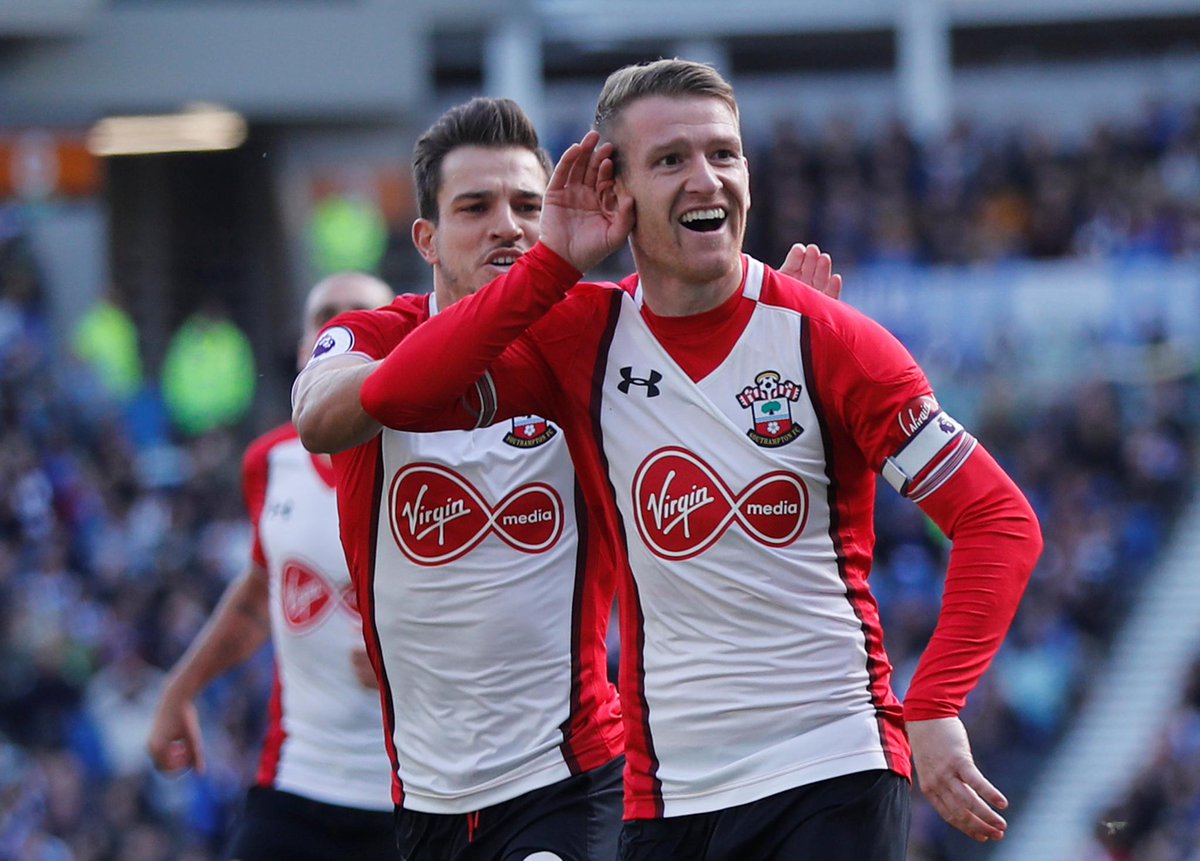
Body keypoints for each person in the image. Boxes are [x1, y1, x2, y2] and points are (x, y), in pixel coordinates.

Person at [342, 61, 1044, 861]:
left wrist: (937, 701)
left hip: (832, 767)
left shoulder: (830, 340)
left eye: (724, 153)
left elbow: (997, 518)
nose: (706, 178)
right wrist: (554, 261)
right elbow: (398, 395)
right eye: (671, 159)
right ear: (616, 192)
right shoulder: (581, 338)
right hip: (667, 799)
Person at [292, 97, 843, 861]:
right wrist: (546, 271)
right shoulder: (372, 334)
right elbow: (322, 419)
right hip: (425, 797)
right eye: (475, 207)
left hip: (572, 779)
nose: (507, 226)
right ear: (426, 238)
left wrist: (779, 363)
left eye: (527, 205)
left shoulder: (603, 340)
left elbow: (725, 479)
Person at [146, 272, 401, 861]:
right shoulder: (270, 462)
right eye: (326, 316)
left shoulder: (439, 458)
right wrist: (178, 690)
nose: (342, 325)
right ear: (305, 346)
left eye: (362, 314)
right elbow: (261, 594)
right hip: (297, 778)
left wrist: (413, 658)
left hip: (417, 791)